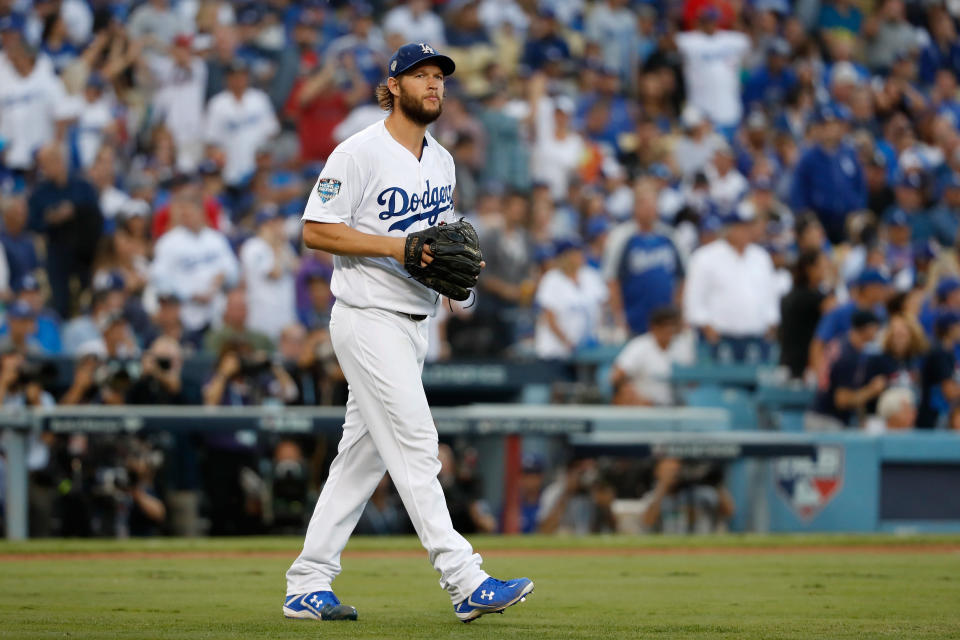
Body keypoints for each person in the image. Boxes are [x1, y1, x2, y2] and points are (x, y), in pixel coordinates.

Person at [284, 43, 533, 624]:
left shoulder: (442, 161)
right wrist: (395, 245)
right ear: (392, 86)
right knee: (419, 445)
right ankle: (464, 578)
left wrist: (459, 283)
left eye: (439, 77)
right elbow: (316, 231)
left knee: (360, 461)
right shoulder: (358, 152)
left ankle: (307, 582)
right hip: (367, 317)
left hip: (415, 323)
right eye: (420, 75)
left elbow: (443, 244)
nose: (433, 85)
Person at [808, 310, 885, 430]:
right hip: (828, 421)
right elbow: (842, 400)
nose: (877, 332)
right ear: (867, 328)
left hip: (820, 415)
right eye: (875, 328)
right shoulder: (849, 355)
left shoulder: (842, 342)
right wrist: (872, 390)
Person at [610, 306, 695, 406]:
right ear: (654, 327)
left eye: (672, 326)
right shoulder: (639, 346)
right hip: (644, 407)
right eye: (664, 325)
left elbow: (693, 383)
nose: (669, 330)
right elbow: (616, 376)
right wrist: (633, 395)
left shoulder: (682, 347)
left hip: (676, 405)